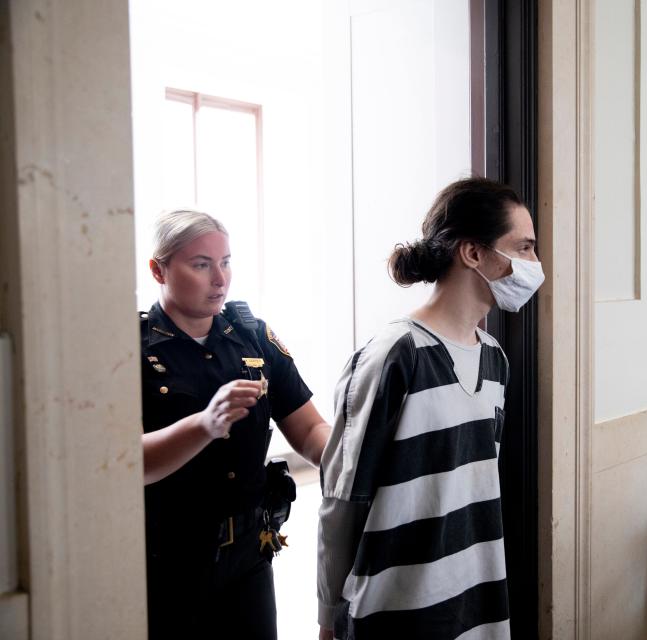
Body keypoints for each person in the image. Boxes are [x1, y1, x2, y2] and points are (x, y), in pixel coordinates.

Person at [316, 177, 543, 640]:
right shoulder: (395, 354)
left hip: (477, 603)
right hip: (398, 611)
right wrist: (327, 617)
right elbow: (343, 500)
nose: (535, 265)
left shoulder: (494, 359)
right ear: (473, 253)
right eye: (523, 248)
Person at [141, 209, 331, 639]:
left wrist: (355, 450)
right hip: (168, 561)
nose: (220, 279)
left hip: (248, 554)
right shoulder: (132, 350)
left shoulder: (253, 337)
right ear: (159, 269)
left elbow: (308, 431)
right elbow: (129, 463)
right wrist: (205, 424)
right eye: (201, 265)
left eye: (225, 262)